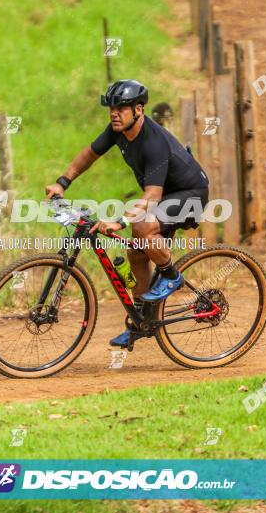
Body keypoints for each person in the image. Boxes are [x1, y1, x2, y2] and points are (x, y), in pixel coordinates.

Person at [45, 79, 210, 348]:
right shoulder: (117, 130)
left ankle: (171, 276)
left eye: (121, 107)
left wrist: (119, 221)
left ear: (139, 110)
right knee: (135, 253)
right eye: (111, 107)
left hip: (190, 193)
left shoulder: (154, 142)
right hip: (163, 195)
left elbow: (153, 196)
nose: (114, 112)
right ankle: (140, 322)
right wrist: (63, 182)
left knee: (141, 228)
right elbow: (90, 153)